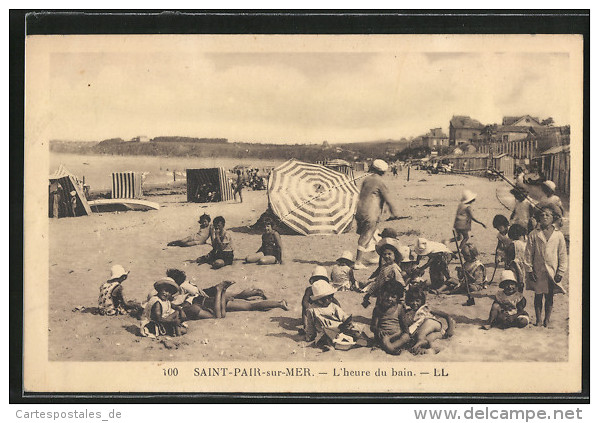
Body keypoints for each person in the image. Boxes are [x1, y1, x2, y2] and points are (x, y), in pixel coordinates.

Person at [162, 269, 288, 319]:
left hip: (206, 303)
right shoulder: (181, 292)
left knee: (248, 307)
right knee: (249, 305)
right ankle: (278, 303)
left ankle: (220, 290)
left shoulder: (174, 298)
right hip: (205, 300)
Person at [354, 159, 402, 269]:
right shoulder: (380, 181)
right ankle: (357, 262)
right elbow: (387, 198)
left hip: (360, 210)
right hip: (371, 212)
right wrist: (394, 212)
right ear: (383, 171)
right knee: (366, 235)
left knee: (374, 233)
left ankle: (373, 256)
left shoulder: (367, 179)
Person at [525, 206, 568, 328]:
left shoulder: (558, 235)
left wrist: (560, 272)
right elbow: (528, 253)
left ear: (553, 218)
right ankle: (538, 319)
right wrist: (529, 269)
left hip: (552, 270)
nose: (544, 217)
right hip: (538, 270)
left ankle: (547, 320)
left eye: (547, 215)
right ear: (538, 217)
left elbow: (562, 254)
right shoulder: (534, 234)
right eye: (542, 215)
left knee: (549, 295)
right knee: (538, 294)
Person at [304, 280, 367, 350]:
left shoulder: (333, 306)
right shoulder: (311, 310)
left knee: (355, 331)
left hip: (339, 328)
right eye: (328, 298)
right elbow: (310, 325)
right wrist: (310, 336)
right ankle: (330, 346)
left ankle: (360, 340)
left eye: (331, 297)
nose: (331, 299)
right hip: (325, 331)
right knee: (325, 338)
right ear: (319, 300)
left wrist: (347, 321)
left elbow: (343, 316)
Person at [399, 286, 455, 354]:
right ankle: (427, 350)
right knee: (428, 339)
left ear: (422, 301)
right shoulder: (408, 312)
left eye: (417, 301)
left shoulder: (426, 308)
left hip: (433, 323)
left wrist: (450, 328)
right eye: (412, 301)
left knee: (423, 330)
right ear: (408, 301)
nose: (414, 303)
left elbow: (446, 315)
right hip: (429, 331)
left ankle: (420, 341)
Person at [362, 238, 406, 308]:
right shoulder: (384, 267)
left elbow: (401, 284)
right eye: (384, 254)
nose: (386, 256)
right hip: (382, 294)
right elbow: (378, 282)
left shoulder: (394, 268)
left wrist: (401, 300)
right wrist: (369, 293)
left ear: (395, 256)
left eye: (389, 254)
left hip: (390, 296)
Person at [301, 266, 340, 335]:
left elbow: (333, 299)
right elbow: (304, 302)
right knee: (304, 310)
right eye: (317, 279)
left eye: (321, 279)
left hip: (324, 308)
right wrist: (309, 309)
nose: (319, 281)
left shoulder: (326, 288)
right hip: (313, 309)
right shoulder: (310, 289)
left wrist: (337, 308)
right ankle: (306, 326)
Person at [371, 283, 409, 355]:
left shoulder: (399, 308)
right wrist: (378, 330)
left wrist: (403, 333)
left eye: (393, 297)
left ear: (398, 298)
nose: (389, 299)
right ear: (381, 295)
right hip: (384, 336)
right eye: (386, 295)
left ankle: (389, 347)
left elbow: (404, 325)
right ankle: (392, 350)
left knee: (406, 337)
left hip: (397, 336)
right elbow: (373, 327)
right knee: (385, 339)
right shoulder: (378, 309)